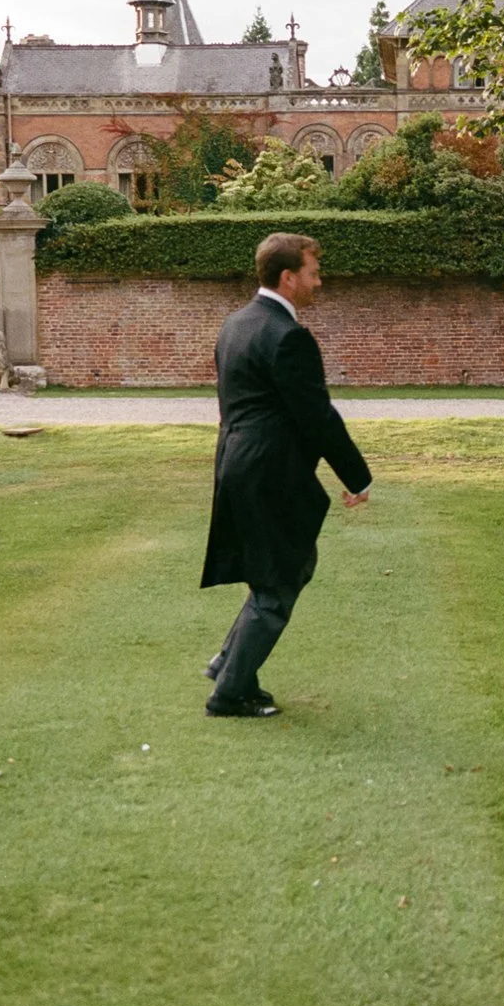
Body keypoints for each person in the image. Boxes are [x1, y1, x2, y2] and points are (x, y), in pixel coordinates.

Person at [201, 232, 372, 719]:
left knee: (272, 571)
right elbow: (316, 417)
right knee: (280, 580)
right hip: (269, 472)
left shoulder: (236, 324)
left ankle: (228, 663)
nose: (320, 282)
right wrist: (357, 477)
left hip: (236, 462)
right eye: (314, 273)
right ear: (288, 276)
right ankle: (229, 693)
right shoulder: (288, 336)